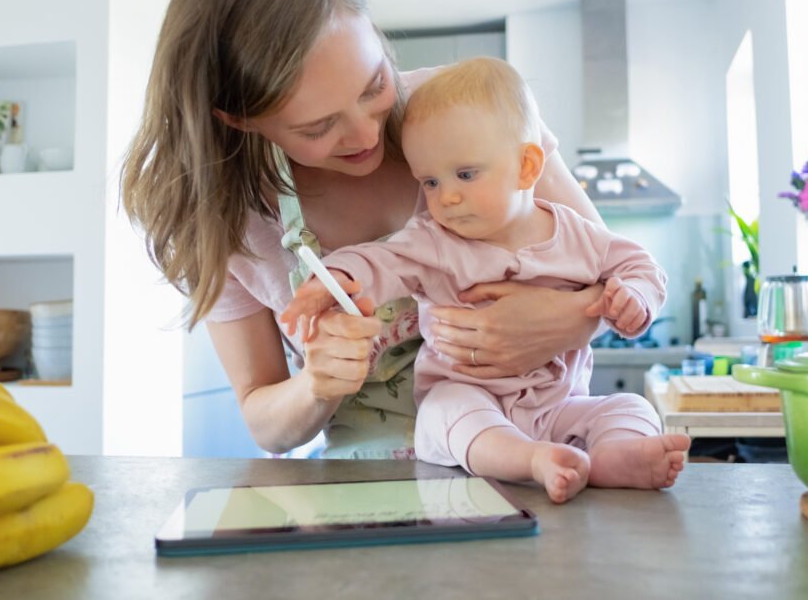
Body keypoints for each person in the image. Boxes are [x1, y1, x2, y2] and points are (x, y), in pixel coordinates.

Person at [119, 0, 613, 460]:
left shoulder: (471, 113)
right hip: (370, 498)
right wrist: (315, 385)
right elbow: (264, 421)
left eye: (373, 85)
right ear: (239, 119)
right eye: (317, 127)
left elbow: (614, 268)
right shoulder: (228, 220)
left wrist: (564, 322)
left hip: (541, 462)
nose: (365, 134)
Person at [281, 58, 691, 503]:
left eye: (466, 174)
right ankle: (530, 460)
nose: (447, 196)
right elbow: (382, 260)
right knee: (443, 412)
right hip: (471, 403)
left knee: (632, 407)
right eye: (431, 182)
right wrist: (338, 276)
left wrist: (634, 298)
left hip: (560, 407)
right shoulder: (434, 240)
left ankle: (615, 457)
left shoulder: (578, 235)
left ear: (527, 166)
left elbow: (642, 267)